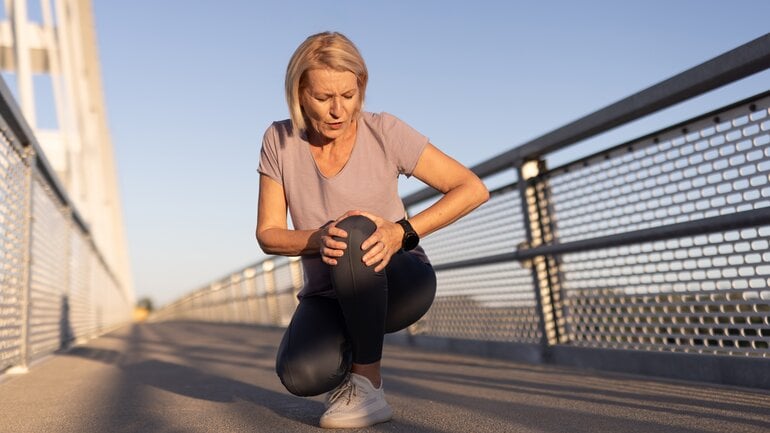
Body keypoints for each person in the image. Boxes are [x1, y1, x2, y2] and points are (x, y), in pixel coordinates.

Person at [256, 31, 489, 429]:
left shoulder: (385, 131)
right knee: (301, 374)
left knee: (355, 230)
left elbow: (472, 188)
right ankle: (349, 361)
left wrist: (403, 232)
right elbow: (269, 233)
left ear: (360, 87)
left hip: (400, 279)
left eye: (348, 96)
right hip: (328, 291)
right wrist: (316, 237)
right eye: (323, 97)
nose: (337, 111)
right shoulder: (278, 139)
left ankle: (368, 384)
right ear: (298, 92)